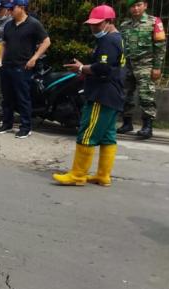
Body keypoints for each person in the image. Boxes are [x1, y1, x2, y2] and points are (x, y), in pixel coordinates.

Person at [54, 5, 124, 187]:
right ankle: (103, 175)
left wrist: (82, 68)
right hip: (113, 95)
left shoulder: (109, 41)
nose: (93, 28)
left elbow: (104, 69)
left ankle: (77, 176)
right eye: (92, 24)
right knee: (108, 136)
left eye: (98, 24)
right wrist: (85, 68)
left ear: (109, 22)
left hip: (102, 95)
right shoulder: (118, 39)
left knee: (87, 134)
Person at [0, 0, 50, 138]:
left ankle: (26, 126)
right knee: (7, 97)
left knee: (22, 97)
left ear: (21, 7)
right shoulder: (8, 25)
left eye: (12, 8)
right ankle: (7, 123)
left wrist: (34, 58)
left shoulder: (33, 24)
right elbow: (4, 43)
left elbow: (46, 41)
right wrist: (0, 60)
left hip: (22, 66)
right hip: (7, 65)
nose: (9, 11)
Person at [118, 0, 166, 139]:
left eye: (138, 5)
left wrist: (157, 67)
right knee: (125, 94)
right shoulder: (124, 25)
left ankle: (147, 126)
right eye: (133, 6)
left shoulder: (154, 22)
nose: (136, 8)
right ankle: (127, 123)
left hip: (146, 65)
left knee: (146, 95)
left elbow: (160, 47)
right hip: (127, 65)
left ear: (145, 6)